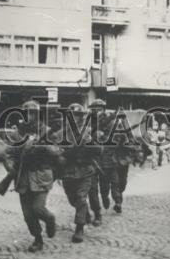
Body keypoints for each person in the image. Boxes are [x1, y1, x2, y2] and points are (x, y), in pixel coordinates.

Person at [1, 99, 61, 251]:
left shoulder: (46, 131)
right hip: (23, 177)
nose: (29, 116)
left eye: (33, 113)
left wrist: (44, 147)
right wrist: (11, 169)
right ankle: (38, 239)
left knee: (38, 209)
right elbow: (8, 153)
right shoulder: (17, 134)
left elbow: (58, 151)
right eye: (26, 113)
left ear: (38, 114)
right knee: (28, 215)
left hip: (41, 175)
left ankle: (49, 219)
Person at [58, 102, 101, 243]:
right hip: (68, 172)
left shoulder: (89, 131)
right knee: (73, 199)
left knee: (81, 198)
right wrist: (60, 158)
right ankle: (84, 213)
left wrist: (91, 143)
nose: (74, 118)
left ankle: (79, 228)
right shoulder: (61, 133)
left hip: (85, 170)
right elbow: (55, 151)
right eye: (71, 115)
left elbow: (99, 151)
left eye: (77, 115)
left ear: (82, 117)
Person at [97, 110, 137, 214]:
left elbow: (132, 143)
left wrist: (126, 145)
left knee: (121, 183)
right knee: (106, 184)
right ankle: (113, 200)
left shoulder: (123, 129)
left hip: (121, 160)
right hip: (107, 161)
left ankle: (118, 201)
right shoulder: (99, 129)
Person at [86, 98, 106, 226]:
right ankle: (85, 213)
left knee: (98, 188)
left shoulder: (110, 120)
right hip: (89, 159)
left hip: (104, 158)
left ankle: (98, 213)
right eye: (95, 109)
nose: (97, 111)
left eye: (99, 108)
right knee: (90, 189)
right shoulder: (87, 120)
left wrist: (103, 136)